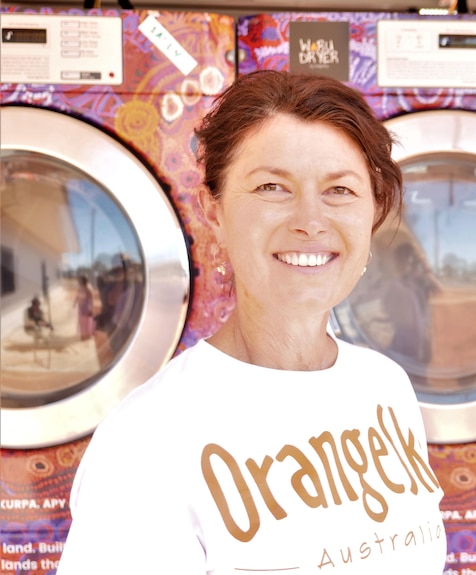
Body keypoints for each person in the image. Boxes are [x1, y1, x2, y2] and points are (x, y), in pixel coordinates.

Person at [57, 70, 447, 574]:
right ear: (214, 212)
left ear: (372, 213)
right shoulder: (146, 442)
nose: (310, 219)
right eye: (272, 187)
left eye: (340, 191)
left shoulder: (385, 385)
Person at [73, 275, 96, 340]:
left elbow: (91, 299)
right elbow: (78, 295)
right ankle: (83, 334)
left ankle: (87, 335)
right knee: (82, 322)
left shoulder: (88, 288)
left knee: (87, 321)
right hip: (81, 307)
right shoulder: (81, 287)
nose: (79, 282)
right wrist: (74, 303)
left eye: (80, 281)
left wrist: (92, 308)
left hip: (86, 307)